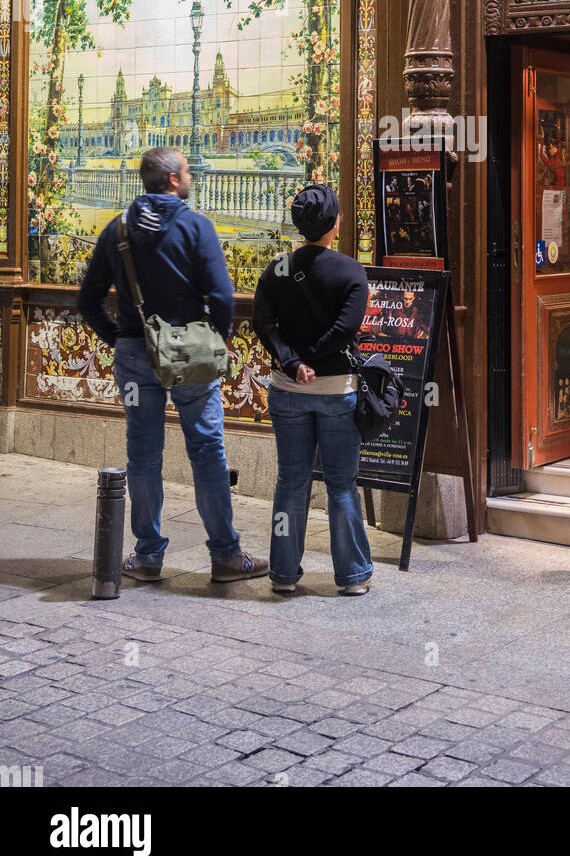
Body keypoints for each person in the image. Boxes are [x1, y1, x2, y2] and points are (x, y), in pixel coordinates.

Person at [77, 147, 266, 585]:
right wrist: (212, 341)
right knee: (207, 451)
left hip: (134, 358)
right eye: (187, 171)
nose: (190, 176)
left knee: (142, 455)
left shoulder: (117, 229)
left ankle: (147, 558)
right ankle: (225, 556)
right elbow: (221, 297)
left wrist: (123, 339)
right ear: (175, 181)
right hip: (191, 356)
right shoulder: (196, 227)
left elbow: (86, 301)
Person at [252, 184, 373, 596]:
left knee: (291, 481)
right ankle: (353, 577)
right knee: (341, 484)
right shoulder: (352, 272)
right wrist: (314, 360)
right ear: (335, 224)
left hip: (288, 391)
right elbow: (346, 329)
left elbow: (263, 325)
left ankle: (283, 575)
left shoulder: (277, 269)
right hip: (337, 390)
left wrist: (293, 363)